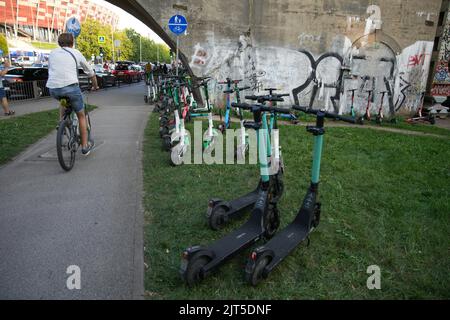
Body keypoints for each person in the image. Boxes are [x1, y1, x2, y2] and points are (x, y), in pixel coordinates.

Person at [46, 33, 99, 156]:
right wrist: (95, 86)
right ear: (72, 43)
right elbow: (90, 73)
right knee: (81, 115)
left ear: (59, 43)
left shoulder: (53, 53)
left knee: (62, 100)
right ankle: (85, 146)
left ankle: (61, 123)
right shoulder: (76, 53)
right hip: (71, 88)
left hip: (53, 89)